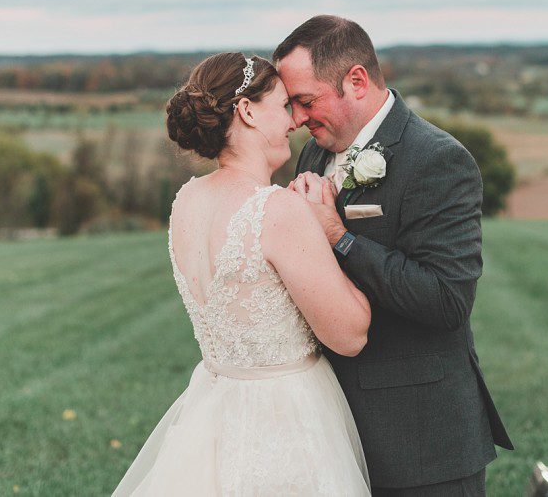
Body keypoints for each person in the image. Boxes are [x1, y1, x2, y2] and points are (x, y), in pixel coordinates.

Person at [112, 52, 372, 496]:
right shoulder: (278, 209)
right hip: (286, 423)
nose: (294, 121)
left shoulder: (186, 202)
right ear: (248, 111)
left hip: (212, 413)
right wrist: (330, 230)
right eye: (283, 104)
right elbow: (351, 334)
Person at [276, 15, 514, 496]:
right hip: (330, 434)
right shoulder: (313, 156)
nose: (298, 119)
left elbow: (446, 300)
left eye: (306, 101)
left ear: (356, 81)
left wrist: (341, 238)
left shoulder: (438, 160)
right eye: (292, 105)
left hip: (421, 441)